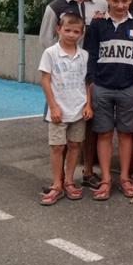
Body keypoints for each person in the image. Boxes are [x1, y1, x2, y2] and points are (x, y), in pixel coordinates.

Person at [38, 0, 107, 187]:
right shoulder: (55, 7)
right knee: (61, 125)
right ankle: (62, 180)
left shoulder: (101, 5)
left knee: (87, 122)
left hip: (92, 74)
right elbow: (46, 41)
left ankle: (87, 173)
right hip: (64, 78)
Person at [86, 0, 133, 200]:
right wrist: (91, 82)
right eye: (115, 1)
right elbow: (91, 54)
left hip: (128, 87)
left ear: (131, 0)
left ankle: (124, 177)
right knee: (103, 133)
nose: (120, 5)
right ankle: (105, 179)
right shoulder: (98, 24)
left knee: (125, 133)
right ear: (107, 0)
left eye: (124, 1)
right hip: (102, 86)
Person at [38, 12, 92, 205]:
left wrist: (88, 104)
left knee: (75, 145)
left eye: (76, 31)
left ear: (82, 33)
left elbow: (88, 82)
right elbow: (45, 80)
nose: (71, 34)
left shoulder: (84, 55)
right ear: (58, 29)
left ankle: (69, 180)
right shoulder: (50, 53)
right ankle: (57, 184)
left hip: (78, 109)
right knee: (57, 147)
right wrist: (53, 107)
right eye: (67, 30)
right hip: (58, 111)